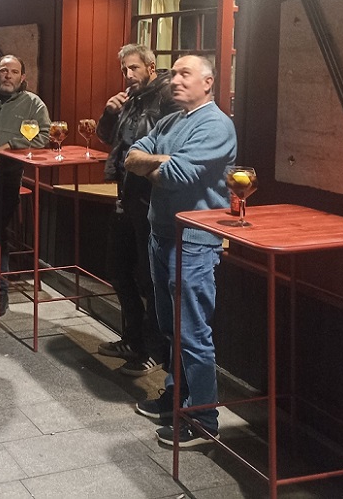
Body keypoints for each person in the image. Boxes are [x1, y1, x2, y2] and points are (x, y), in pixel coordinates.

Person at [124, 53, 236, 448]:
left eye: (185, 73)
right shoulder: (172, 121)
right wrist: (159, 161)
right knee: (172, 328)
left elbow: (176, 175)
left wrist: (156, 164)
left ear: (208, 82)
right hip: (162, 235)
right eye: (173, 73)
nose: (175, 80)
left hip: (194, 241)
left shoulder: (217, 125)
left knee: (192, 333)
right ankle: (176, 400)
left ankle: (203, 419)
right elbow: (131, 156)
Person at [94, 44, 176, 377]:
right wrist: (109, 112)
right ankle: (132, 340)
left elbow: (168, 146)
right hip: (125, 194)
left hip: (150, 197)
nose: (128, 75)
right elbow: (107, 138)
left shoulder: (166, 97)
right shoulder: (130, 99)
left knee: (149, 278)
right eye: (124, 70)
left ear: (150, 67)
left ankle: (153, 350)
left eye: (134, 68)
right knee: (117, 268)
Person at [0, 54, 50, 318]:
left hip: (7, 176)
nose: (8, 76)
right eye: (4, 71)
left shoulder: (33, 104)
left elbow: (44, 136)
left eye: (14, 72)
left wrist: (10, 145)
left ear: (22, 77)